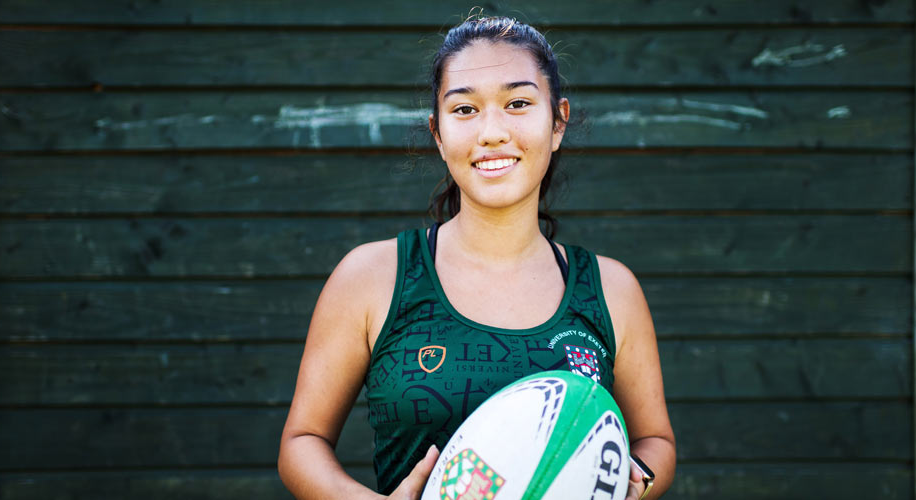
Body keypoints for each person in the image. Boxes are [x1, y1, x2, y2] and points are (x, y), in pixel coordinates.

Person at [278, 15, 676, 500]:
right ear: (439, 133)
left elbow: (655, 441)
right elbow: (302, 444)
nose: (492, 131)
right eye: (465, 109)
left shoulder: (610, 289)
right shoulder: (373, 277)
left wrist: (632, 483)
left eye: (518, 103)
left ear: (558, 122)